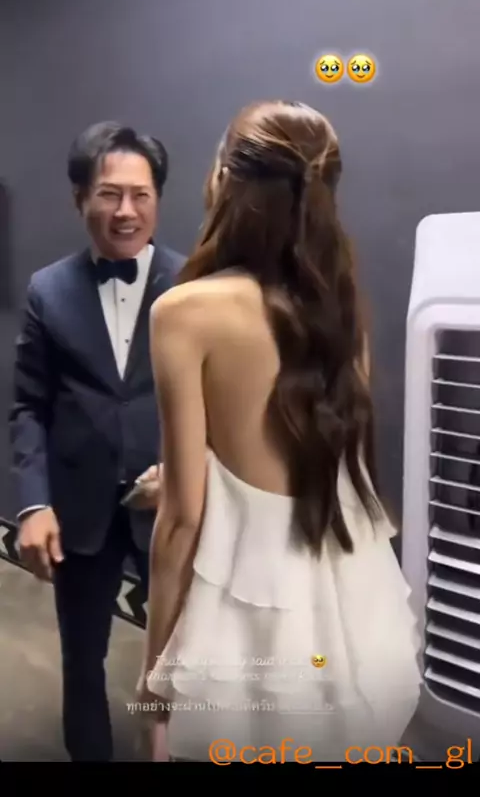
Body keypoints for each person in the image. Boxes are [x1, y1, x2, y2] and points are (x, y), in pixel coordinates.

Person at [136, 100, 422, 762]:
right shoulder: (341, 310)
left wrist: (153, 681)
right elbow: (309, 459)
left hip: (245, 616)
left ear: (226, 181)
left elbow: (182, 521)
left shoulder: (183, 312)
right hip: (353, 599)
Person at [9, 121, 184, 762]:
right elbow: (28, 405)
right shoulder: (47, 289)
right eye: (109, 194)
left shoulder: (194, 284)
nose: (125, 211)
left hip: (175, 509)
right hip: (80, 511)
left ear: (158, 199)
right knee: (82, 661)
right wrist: (33, 502)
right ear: (80, 198)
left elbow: (225, 404)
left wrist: (185, 471)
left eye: (141, 195)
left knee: (189, 663)